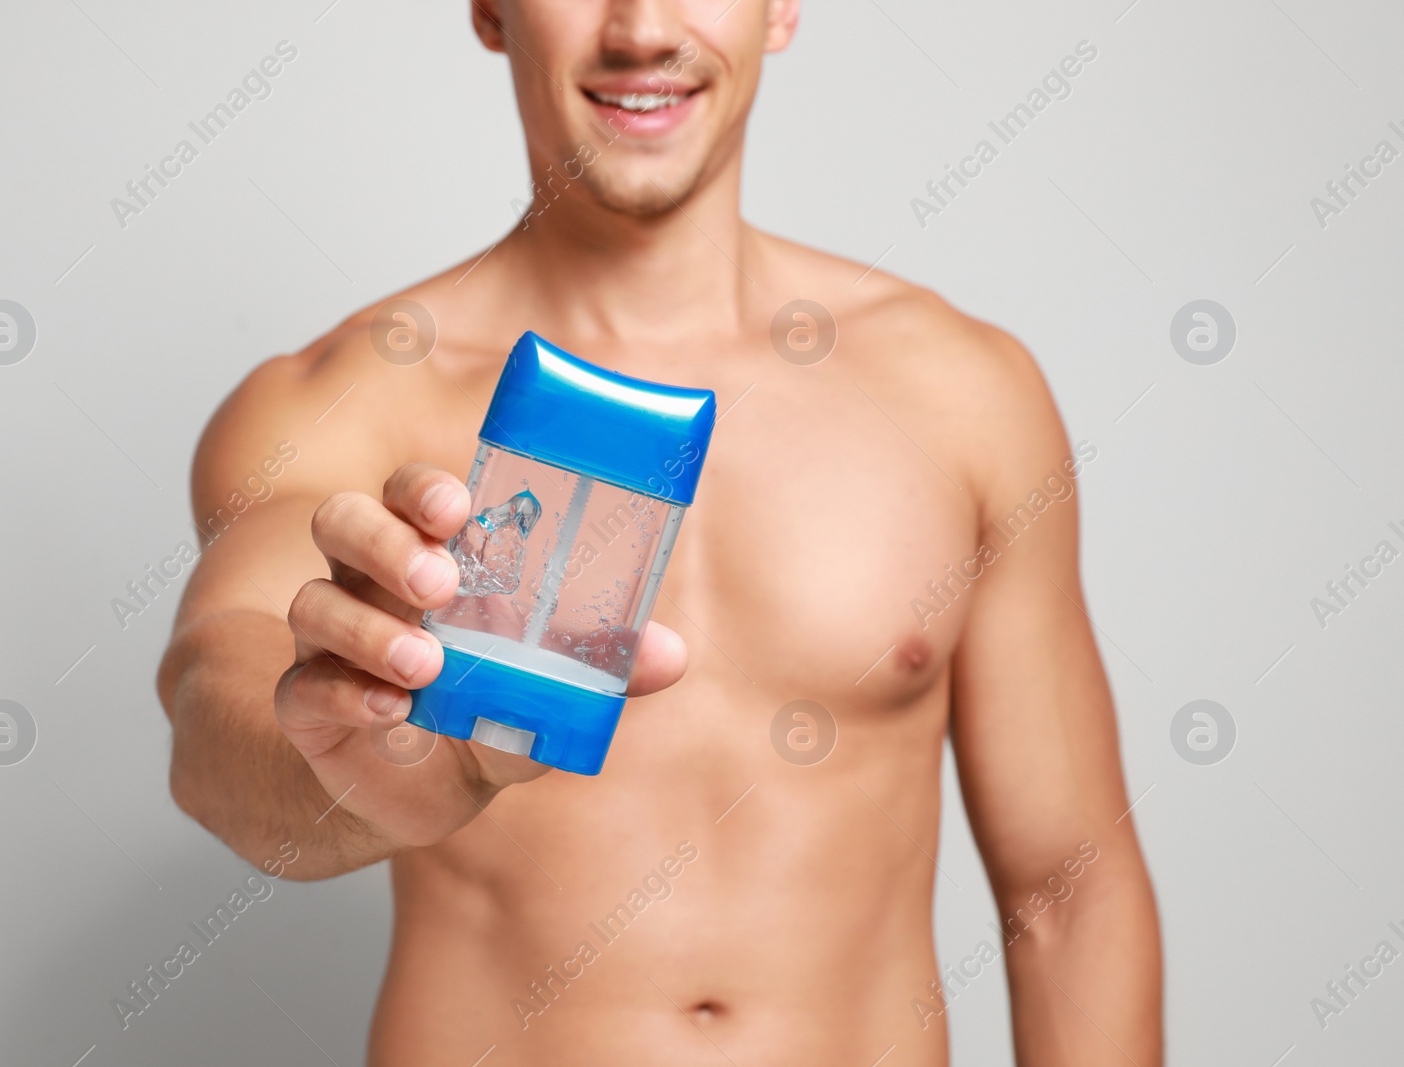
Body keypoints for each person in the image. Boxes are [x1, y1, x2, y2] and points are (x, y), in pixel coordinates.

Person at [157, 1, 1163, 1063]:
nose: (640, 26)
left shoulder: (962, 395)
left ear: (780, 7)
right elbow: (216, 709)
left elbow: (1069, 889)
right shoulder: (336, 404)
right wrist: (347, 776)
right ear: (491, 10)